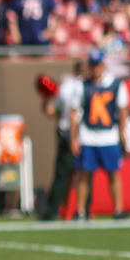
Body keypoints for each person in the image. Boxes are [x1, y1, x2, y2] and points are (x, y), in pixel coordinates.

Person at [70, 50, 129, 221]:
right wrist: (74, 137)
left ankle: (119, 209)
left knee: (113, 173)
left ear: (103, 65)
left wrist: (122, 133)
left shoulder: (116, 84)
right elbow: (75, 112)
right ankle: (80, 211)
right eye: (93, 65)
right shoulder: (82, 85)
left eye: (98, 64)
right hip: (88, 135)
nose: (95, 68)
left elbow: (122, 110)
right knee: (84, 174)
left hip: (109, 135)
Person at [38, 63, 84, 221]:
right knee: (75, 175)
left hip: (73, 133)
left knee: (67, 175)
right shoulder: (75, 87)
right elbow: (60, 111)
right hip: (78, 134)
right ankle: (77, 211)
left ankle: (60, 211)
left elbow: (50, 110)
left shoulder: (69, 86)